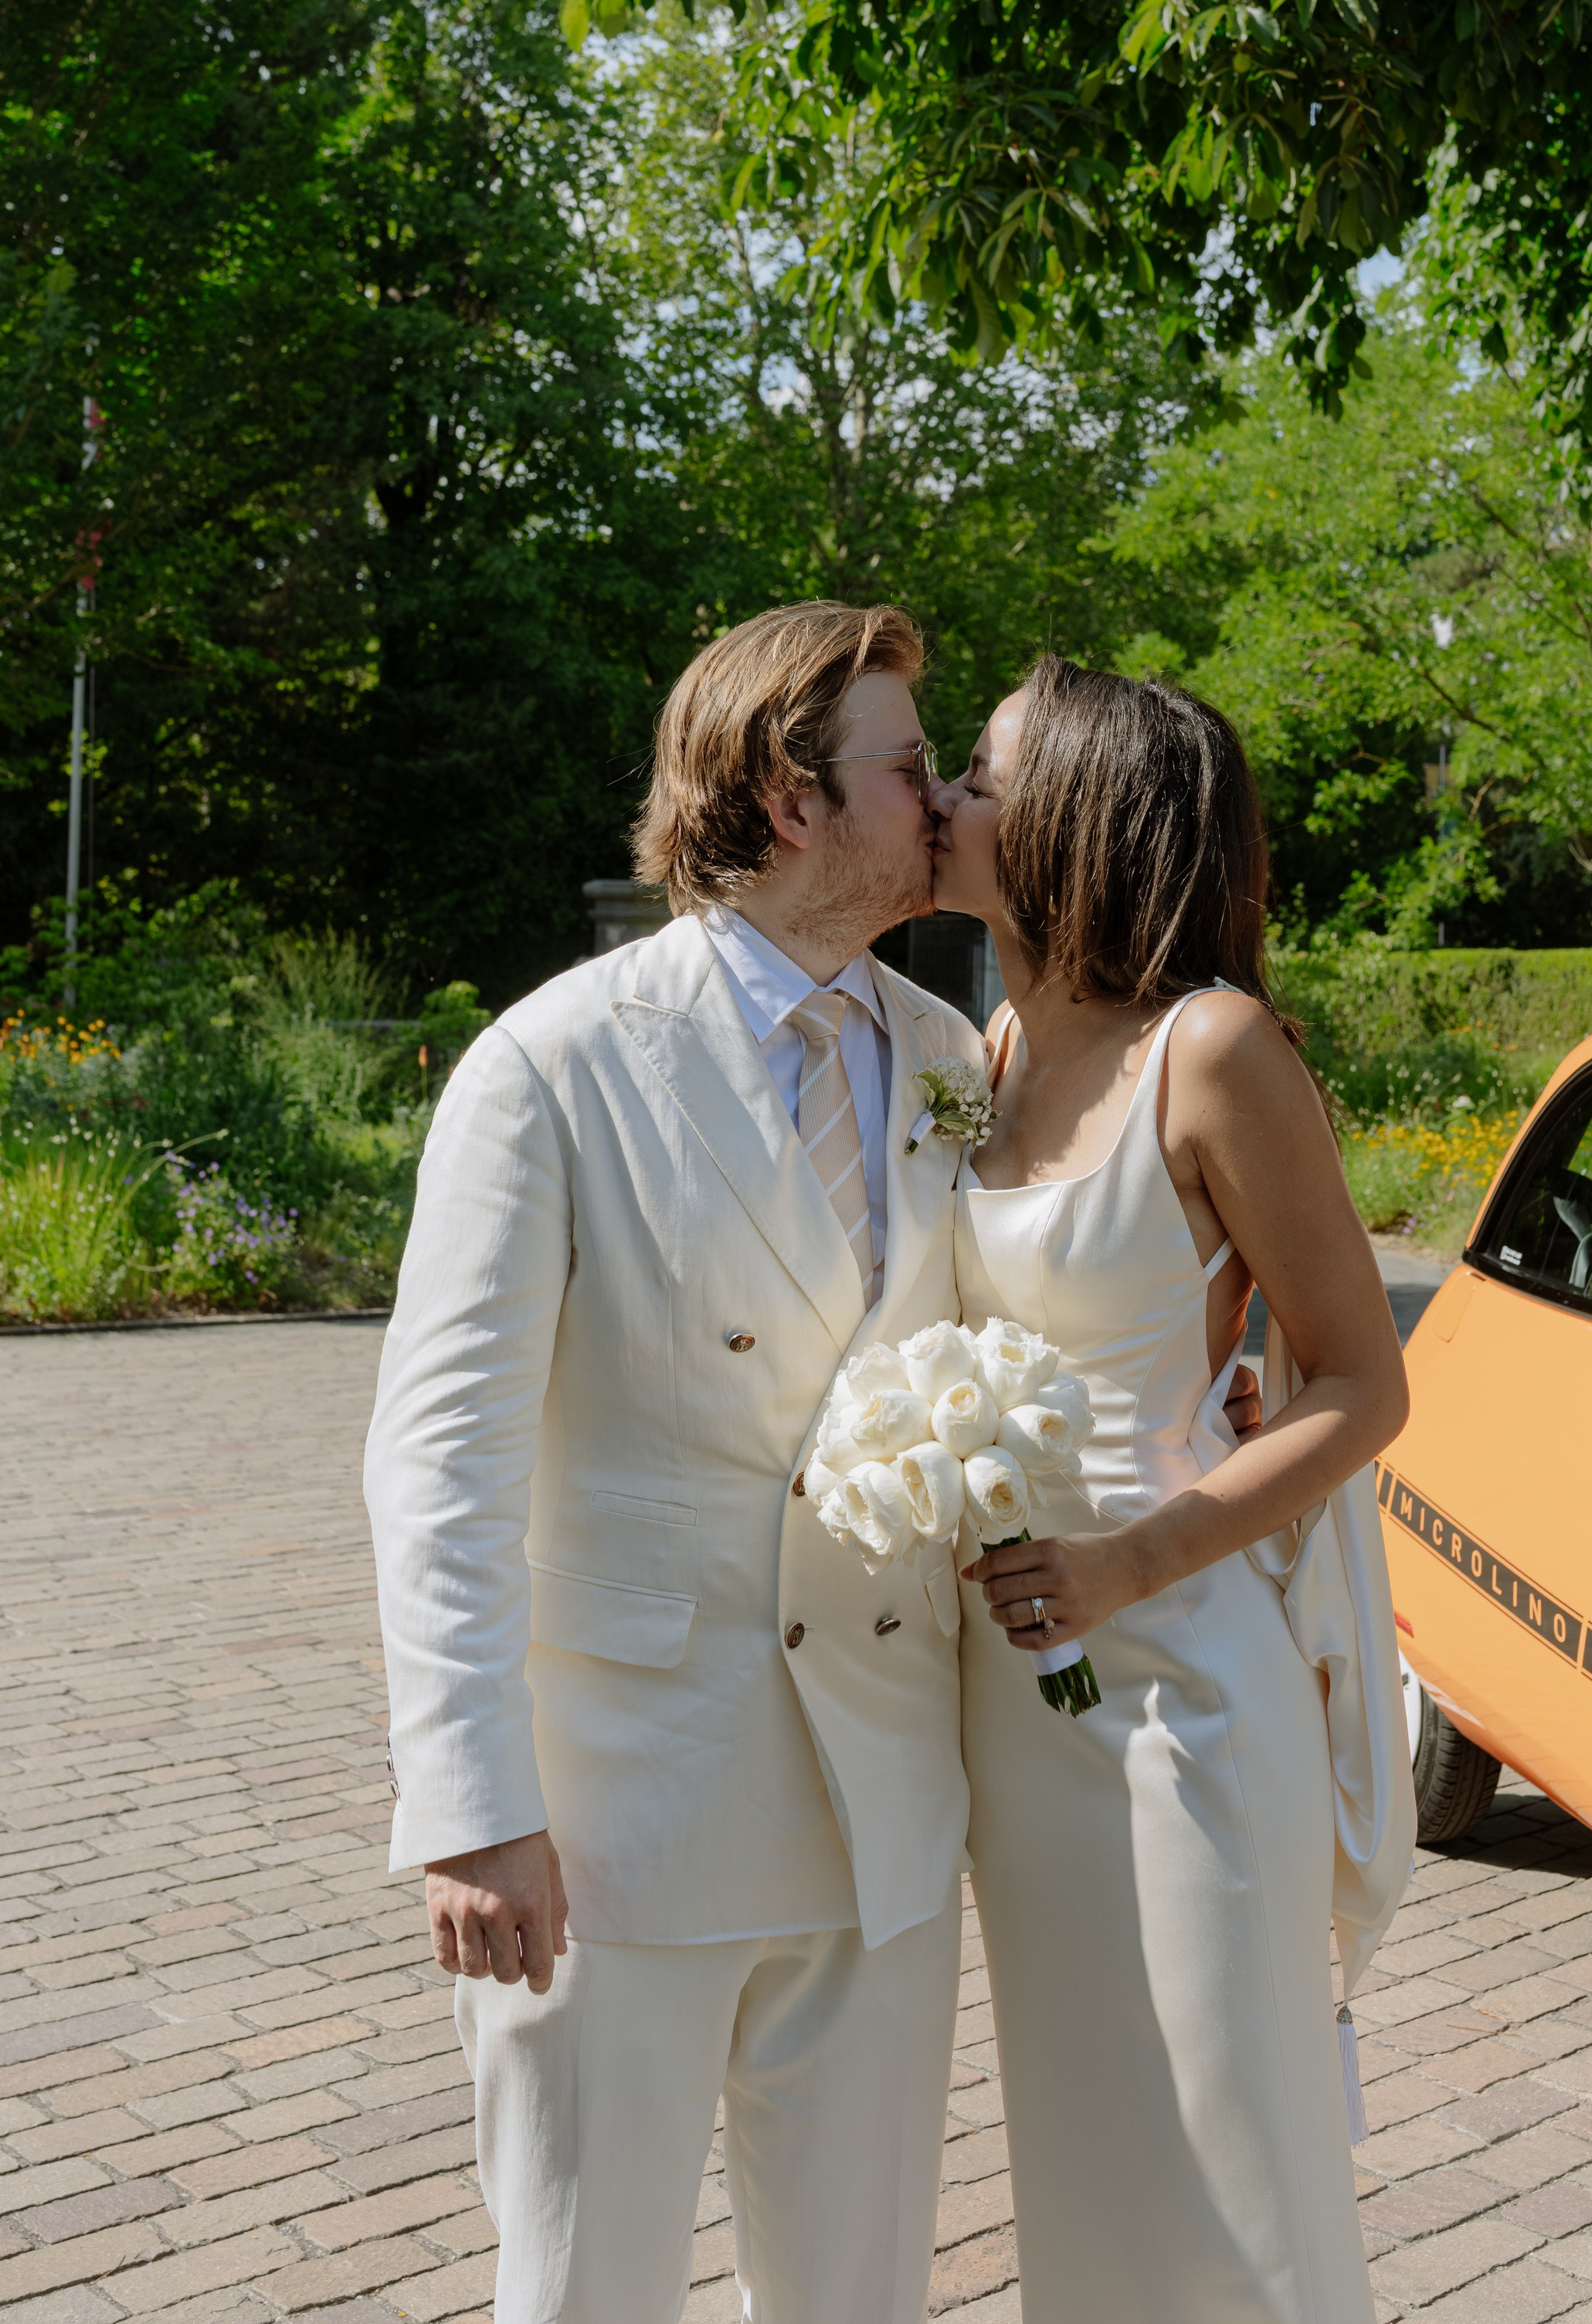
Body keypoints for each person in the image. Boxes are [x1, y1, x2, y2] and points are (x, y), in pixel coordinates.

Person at [363, 602, 985, 2324]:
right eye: (910, 765)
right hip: (617, 1822)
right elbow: (440, 1462)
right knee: (588, 2294)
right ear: (794, 798)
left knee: (858, 2296)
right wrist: (475, 1811)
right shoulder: (550, 1066)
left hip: (881, 1811)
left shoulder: (949, 1063)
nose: (942, 797)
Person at [929, 656, 1416, 2324]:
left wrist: (1131, 1560)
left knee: (1231, 2173)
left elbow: (1363, 1384)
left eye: (979, 779)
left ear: (1073, 812)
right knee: (1090, 2168)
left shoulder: (1208, 1053)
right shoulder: (982, 1049)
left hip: (1185, 1693)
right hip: (1021, 1710)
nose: (942, 803)